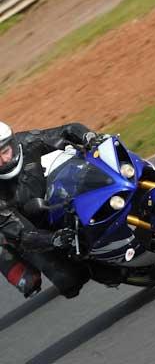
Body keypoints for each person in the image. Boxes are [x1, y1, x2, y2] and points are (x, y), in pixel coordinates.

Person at [0, 121, 95, 298]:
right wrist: (54, 240)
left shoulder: (27, 141)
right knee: (70, 282)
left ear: (12, 143)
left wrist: (89, 137)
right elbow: (23, 235)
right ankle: (15, 263)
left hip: (54, 202)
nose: (4, 160)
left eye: (5, 151)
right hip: (32, 233)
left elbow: (67, 130)